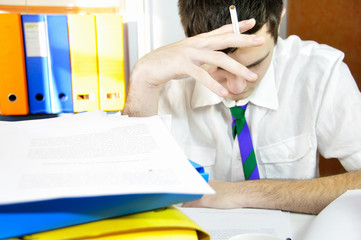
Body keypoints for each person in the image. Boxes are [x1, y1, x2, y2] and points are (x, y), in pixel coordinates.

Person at [123, 0, 361, 214]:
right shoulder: (164, 81)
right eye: (218, 66)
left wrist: (245, 193)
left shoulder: (320, 72)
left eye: (255, 65)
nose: (236, 87)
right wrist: (143, 79)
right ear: (188, 36)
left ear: (278, 24)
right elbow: (128, 189)